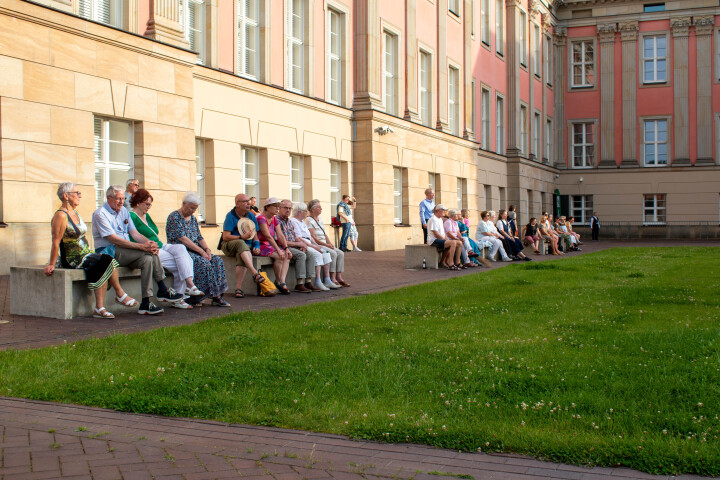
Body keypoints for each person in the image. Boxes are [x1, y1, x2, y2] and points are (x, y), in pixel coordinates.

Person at [92, 185, 183, 315]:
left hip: (125, 252)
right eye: (118, 199)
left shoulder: (124, 211)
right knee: (147, 251)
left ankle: (146, 303)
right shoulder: (100, 214)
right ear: (108, 198)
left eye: (123, 198)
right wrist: (143, 247)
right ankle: (162, 288)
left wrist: (150, 243)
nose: (121, 202)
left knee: (147, 258)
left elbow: (134, 234)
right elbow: (114, 240)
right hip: (109, 251)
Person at [45, 182, 127, 319]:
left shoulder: (74, 213)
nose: (80, 196)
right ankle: (118, 295)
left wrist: (91, 252)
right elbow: (55, 241)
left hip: (84, 254)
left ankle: (100, 307)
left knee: (105, 260)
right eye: (76, 193)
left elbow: (82, 236)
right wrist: (51, 264)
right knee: (106, 260)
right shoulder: (61, 216)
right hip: (72, 258)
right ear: (66, 196)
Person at [129, 189, 201, 309]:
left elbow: (154, 232)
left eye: (150, 204)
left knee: (181, 248)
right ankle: (181, 296)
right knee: (182, 263)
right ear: (138, 202)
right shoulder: (132, 216)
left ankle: (189, 286)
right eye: (147, 204)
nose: (149, 207)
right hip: (151, 249)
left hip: (161, 245)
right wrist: (148, 244)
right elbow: (133, 235)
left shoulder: (146, 216)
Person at [166, 192, 230, 307]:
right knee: (203, 263)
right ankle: (199, 297)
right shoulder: (174, 217)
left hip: (196, 250)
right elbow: (183, 239)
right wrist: (201, 252)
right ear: (184, 204)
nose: (193, 211)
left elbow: (199, 237)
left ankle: (218, 294)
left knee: (217, 261)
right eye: (191, 208)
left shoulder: (193, 219)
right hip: (182, 251)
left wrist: (207, 249)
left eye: (195, 209)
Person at [220, 193, 265, 297]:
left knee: (242, 252)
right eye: (245, 202)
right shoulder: (230, 215)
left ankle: (238, 289)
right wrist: (241, 237)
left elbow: (255, 236)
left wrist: (257, 246)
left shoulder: (251, 216)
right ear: (237, 204)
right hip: (229, 245)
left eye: (248, 201)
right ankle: (254, 273)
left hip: (244, 247)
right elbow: (225, 237)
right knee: (241, 243)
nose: (248, 203)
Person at [306, 199, 350, 288]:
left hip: (325, 243)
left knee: (340, 253)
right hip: (318, 244)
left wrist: (330, 243)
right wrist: (326, 245)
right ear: (313, 209)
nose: (321, 208)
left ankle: (339, 277)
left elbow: (324, 234)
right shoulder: (309, 220)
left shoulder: (320, 219)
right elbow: (313, 237)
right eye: (319, 207)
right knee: (333, 253)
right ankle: (331, 278)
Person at [291, 202, 333, 291]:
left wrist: (317, 245)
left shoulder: (302, 221)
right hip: (303, 243)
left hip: (309, 242)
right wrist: (314, 247)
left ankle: (327, 279)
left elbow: (309, 236)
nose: (306, 213)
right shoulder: (293, 221)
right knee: (317, 254)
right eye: (305, 211)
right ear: (299, 212)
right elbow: (298, 238)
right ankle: (316, 281)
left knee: (326, 253)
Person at [255, 197, 293, 295]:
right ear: (267, 207)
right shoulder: (261, 218)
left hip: (270, 245)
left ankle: (281, 281)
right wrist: (279, 250)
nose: (277, 208)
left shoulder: (274, 219)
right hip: (261, 245)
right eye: (275, 206)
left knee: (287, 255)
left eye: (278, 206)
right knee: (279, 256)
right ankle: (279, 281)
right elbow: (268, 236)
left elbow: (280, 235)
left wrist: (286, 248)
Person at [276, 199, 315, 293]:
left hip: (292, 245)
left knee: (310, 253)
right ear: (279, 208)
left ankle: (308, 281)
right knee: (301, 255)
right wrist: (298, 244)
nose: (288, 210)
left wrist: (303, 244)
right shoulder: (277, 221)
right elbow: (281, 241)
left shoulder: (288, 221)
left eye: (290, 208)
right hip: (283, 247)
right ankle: (299, 283)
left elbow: (294, 236)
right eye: (285, 208)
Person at [427, 204, 463, 270]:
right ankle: (451, 263)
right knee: (452, 243)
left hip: (439, 239)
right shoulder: (433, 219)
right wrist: (446, 240)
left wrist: (447, 239)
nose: (445, 211)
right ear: (437, 210)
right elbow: (436, 234)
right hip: (433, 240)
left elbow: (444, 233)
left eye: (445, 210)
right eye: (443, 210)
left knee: (459, 243)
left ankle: (457, 262)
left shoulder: (440, 219)